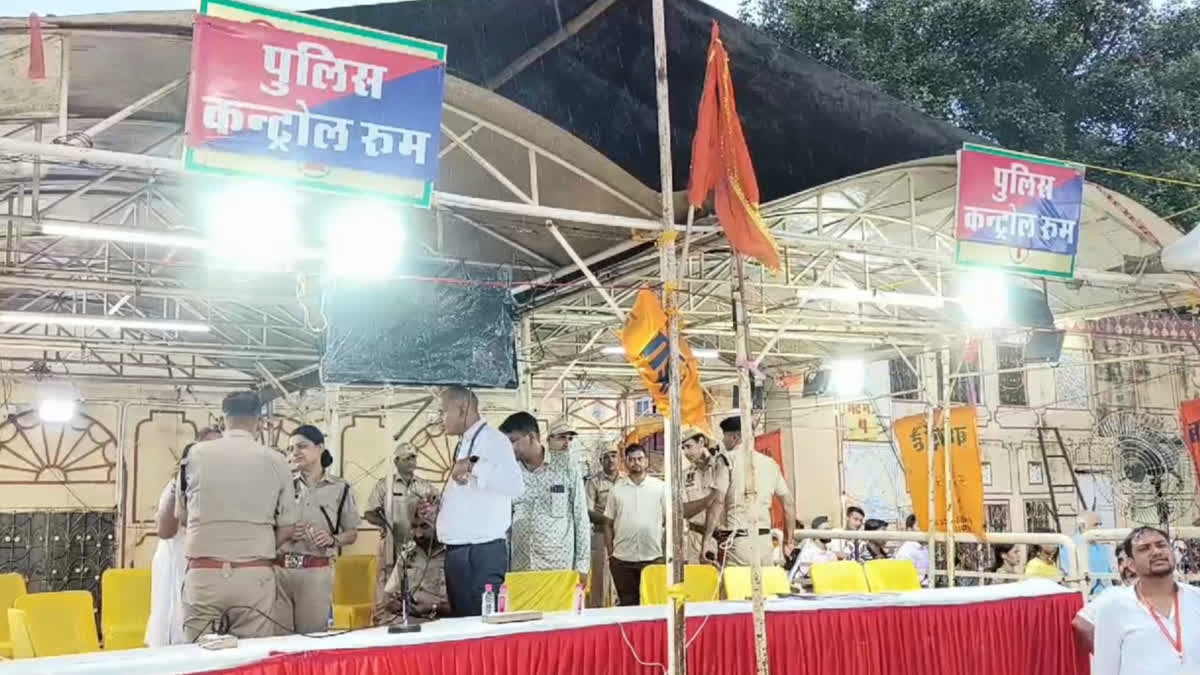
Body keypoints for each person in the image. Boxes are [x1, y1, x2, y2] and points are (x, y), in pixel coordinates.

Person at [177, 391, 298, 640]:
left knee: (198, 658)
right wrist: (260, 545)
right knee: (250, 660)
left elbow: (181, 515)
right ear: (258, 420)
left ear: (224, 418)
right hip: (254, 576)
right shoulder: (276, 460)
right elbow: (287, 526)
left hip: (204, 573)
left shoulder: (195, 455)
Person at [434, 386, 524, 617]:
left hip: (480, 554)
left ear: (462, 409)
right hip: (460, 551)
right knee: (462, 626)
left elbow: (515, 486)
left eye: (443, 411)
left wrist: (474, 466)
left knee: (477, 627)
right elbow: (471, 497)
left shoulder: (495, 441)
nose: (440, 418)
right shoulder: (465, 442)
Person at [274, 425, 359, 634]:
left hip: (316, 571)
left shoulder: (341, 488)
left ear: (320, 448)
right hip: (279, 572)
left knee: (310, 638)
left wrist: (332, 540)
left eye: (302, 446)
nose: (295, 453)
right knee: (277, 641)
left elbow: (352, 533)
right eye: (291, 448)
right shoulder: (282, 485)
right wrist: (286, 532)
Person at [1094, 526, 1200, 675]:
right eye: (1144, 548)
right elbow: (1104, 670)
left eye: (1161, 545)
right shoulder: (1113, 609)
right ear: (1131, 564)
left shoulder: (1196, 599)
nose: (1156, 552)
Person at [500, 412, 590, 583]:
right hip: (521, 567)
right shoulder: (510, 472)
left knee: (560, 611)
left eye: (513, 441)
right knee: (523, 611)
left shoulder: (566, 466)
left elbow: (580, 517)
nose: (509, 448)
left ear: (532, 437)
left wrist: (582, 566)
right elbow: (506, 524)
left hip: (558, 568)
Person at [146, 433, 215, 647]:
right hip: (180, 564)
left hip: (213, 570)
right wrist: (179, 486)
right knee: (179, 625)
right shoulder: (176, 485)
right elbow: (165, 530)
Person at [717, 416, 795, 566]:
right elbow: (789, 505)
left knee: (736, 586)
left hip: (738, 540)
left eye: (724, 436)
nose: (723, 441)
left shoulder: (727, 460)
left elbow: (718, 501)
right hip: (764, 542)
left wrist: (707, 538)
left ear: (735, 437)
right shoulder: (770, 464)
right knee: (764, 587)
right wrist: (788, 541)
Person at [604, 444, 667, 606]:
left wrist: (665, 552)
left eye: (639, 459)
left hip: (653, 557)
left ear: (646, 461)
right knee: (628, 604)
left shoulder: (660, 488)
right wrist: (611, 554)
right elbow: (608, 523)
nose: (636, 463)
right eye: (631, 460)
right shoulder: (616, 490)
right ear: (625, 463)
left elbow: (669, 522)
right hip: (622, 559)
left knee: (654, 604)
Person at [364, 442, 436, 576]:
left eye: (413, 457)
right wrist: (384, 523)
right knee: (389, 583)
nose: (411, 461)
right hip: (392, 543)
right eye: (406, 458)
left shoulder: (425, 486)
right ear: (396, 461)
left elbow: (439, 505)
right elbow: (369, 513)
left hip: (418, 545)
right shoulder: (385, 485)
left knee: (416, 583)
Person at [381, 517, 449, 622]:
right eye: (414, 527)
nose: (418, 534)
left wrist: (433, 607)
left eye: (425, 526)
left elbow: (465, 606)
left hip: (442, 621)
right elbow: (388, 598)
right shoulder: (408, 553)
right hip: (409, 620)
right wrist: (396, 604)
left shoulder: (453, 555)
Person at [1074, 543, 1138, 652]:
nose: (1125, 566)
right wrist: (1105, 656)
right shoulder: (1113, 594)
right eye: (1120, 561)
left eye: (1129, 559)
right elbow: (1081, 623)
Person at [680, 427, 729, 564]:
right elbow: (683, 510)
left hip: (724, 539)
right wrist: (708, 500)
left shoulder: (721, 466)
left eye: (689, 446)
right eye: (683, 448)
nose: (686, 452)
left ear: (701, 442)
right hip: (695, 538)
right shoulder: (685, 475)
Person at [586, 444, 620, 607]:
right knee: (600, 580)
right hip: (600, 536)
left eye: (614, 455)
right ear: (600, 461)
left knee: (623, 578)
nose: (610, 460)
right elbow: (587, 511)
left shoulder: (627, 481)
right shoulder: (593, 483)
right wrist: (608, 521)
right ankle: (597, 617)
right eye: (606, 457)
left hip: (624, 537)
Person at [789, 515, 839, 586]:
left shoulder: (831, 554)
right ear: (815, 532)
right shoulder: (808, 552)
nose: (829, 532)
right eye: (826, 529)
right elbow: (796, 579)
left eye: (830, 529)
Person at [894, 514, 930, 586]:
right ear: (910, 530)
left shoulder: (923, 547)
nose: (926, 529)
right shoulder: (906, 552)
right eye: (920, 526)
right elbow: (905, 579)